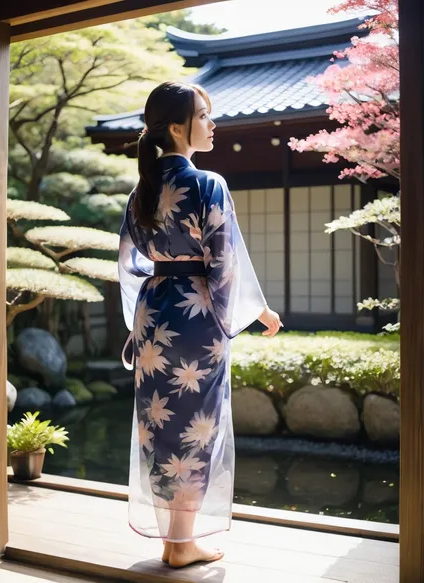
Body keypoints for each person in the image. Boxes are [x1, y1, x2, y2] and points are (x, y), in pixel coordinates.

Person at [118, 81, 282, 568]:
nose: (213, 124)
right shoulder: (208, 184)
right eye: (205, 116)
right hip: (196, 316)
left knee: (161, 427)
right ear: (176, 127)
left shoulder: (142, 191)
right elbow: (225, 263)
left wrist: (142, 319)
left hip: (154, 317)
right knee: (196, 428)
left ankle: (176, 540)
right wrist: (258, 312)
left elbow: (130, 265)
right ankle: (181, 545)